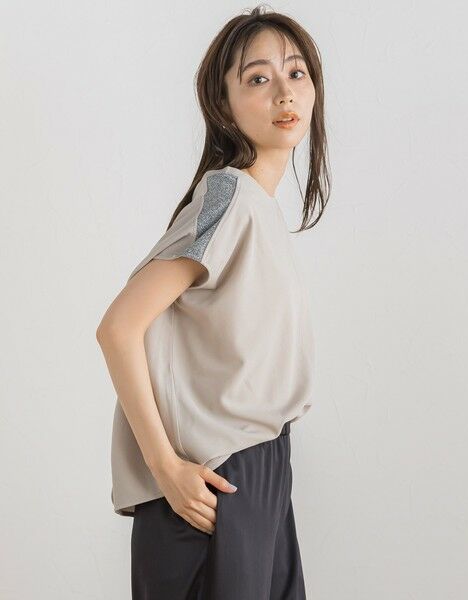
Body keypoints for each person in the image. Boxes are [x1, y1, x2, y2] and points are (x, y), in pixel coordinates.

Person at [96, 4, 330, 599]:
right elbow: (119, 328)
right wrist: (165, 469)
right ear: (223, 106)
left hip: (263, 471)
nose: (284, 93)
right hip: (216, 480)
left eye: (296, 73)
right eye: (258, 78)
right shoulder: (229, 195)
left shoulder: (259, 210)